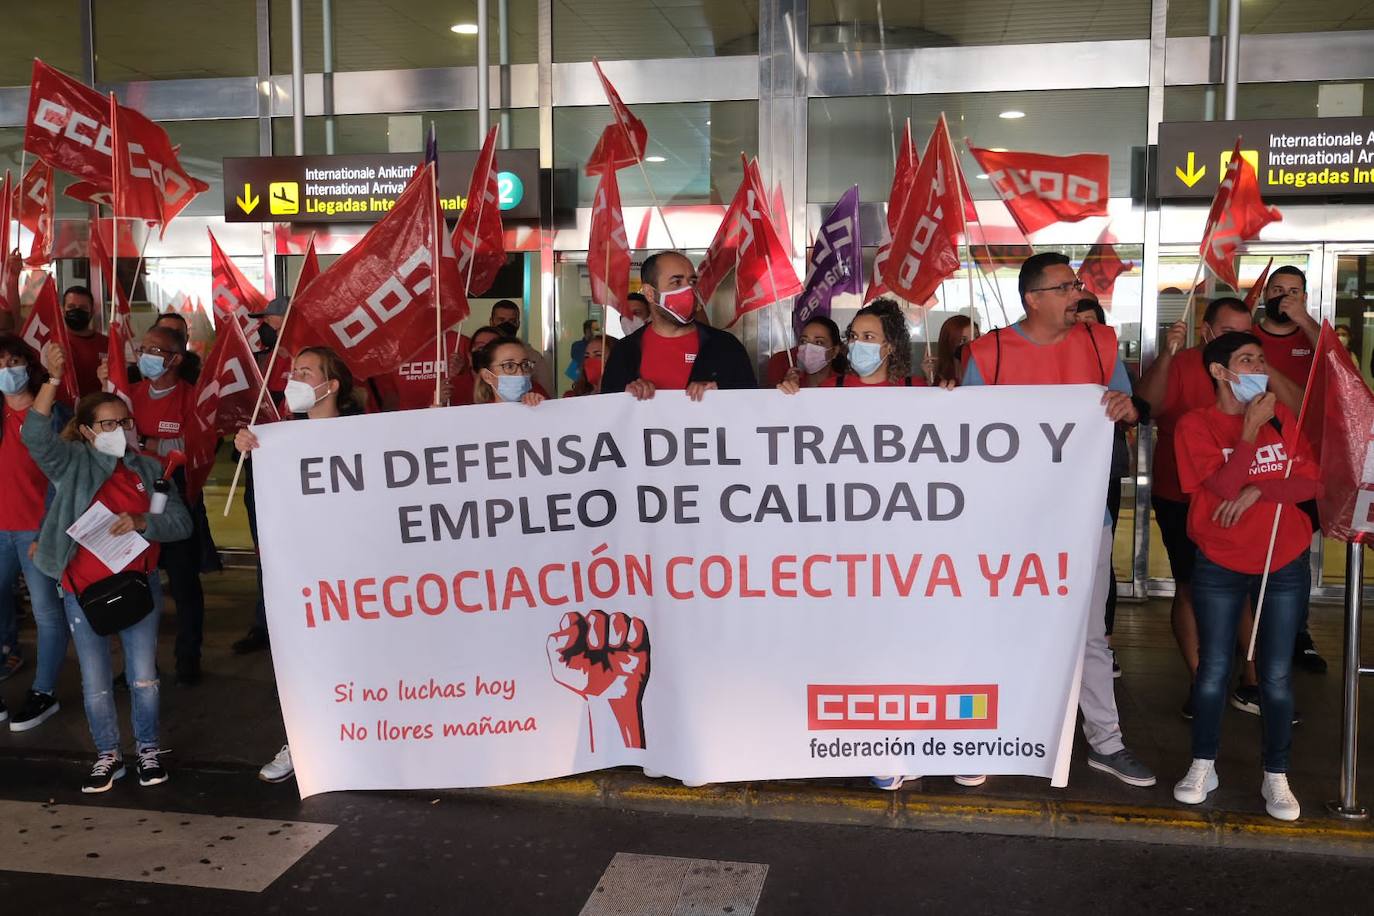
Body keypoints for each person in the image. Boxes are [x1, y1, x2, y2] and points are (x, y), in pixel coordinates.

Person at [960, 252, 1156, 789]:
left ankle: (1107, 743)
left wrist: (1127, 406)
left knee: (1090, 635)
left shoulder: (1100, 343)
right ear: (1034, 299)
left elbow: (1133, 405)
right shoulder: (987, 352)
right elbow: (966, 439)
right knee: (1000, 627)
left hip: (1082, 515)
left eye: (1077, 286)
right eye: (1067, 287)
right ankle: (984, 737)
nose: (1078, 294)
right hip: (1009, 523)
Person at [23, 344, 192, 792]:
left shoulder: (151, 468)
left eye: (124, 422)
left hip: (139, 586)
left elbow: (181, 523)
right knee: (95, 682)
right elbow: (35, 435)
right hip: (83, 590)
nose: (119, 430)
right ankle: (107, 755)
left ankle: (149, 751)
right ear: (85, 431)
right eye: (108, 423)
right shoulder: (71, 464)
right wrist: (53, 381)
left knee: (144, 677)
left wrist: (144, 521)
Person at [1171, 332, 1321, 821]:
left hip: (1283, 558)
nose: (1258, 366)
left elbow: (1311, 480)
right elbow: (1220, 484)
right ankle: (1202, 764)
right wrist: (1250, 434)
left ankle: (1276, 775)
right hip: (1220, 560)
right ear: (1219, 371)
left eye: (1260, 358)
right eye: (1246, 359)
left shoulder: (1283, 416)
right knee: (1214, 669)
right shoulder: (1196, 425)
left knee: (1276, 676)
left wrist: (1260, 491)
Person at [1136, 297, 1306, 714]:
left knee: (1248, 590)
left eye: (1248, 332)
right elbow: (1148, 408)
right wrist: (1166, 355)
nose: (1242, 341)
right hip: (1184, 496)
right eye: (1230, 333)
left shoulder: (1256, 369)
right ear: (1207, 331)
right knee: (1192, 587)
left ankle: (1251, 679)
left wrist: (1262, 366)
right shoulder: (1182, 363)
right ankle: (1202, 681)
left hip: (1252, 497)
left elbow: (1300, 413)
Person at [234, 346, 365, 780]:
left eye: (306, 372)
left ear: (332, 386)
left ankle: (366, 744)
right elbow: (266, 511)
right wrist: (252, 452)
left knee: (355, 662)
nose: (294, 378)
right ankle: (304, 744)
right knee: (302, 664)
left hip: (356, 574)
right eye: (293, 370)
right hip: (303, 577)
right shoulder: (277, 440)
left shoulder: (366, 433)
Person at [103, 325, 209, 686]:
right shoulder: (128, 395)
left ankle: (188, 655)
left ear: (176, 359)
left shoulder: (192, 397)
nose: (144, 355)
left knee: (182, 582)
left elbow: (191, 445)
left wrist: (148, 439)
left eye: (155, 350)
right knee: (133, 580)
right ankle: (137, 662)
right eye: (143, 347)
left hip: (175, 494)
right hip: (133, 493)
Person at [0, 336, 69, 731]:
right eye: (1, 363)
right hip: (1, 531)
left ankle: (44, 692)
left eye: (15, 361)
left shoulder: (54, 415)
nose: (8, 370)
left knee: (46, 612)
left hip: (37, 532)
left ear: (29, 365)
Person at [601, 251, 757, 399]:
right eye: (676, 282)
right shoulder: (624, 353)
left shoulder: (726, 347)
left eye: (692, 282)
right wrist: (624, 395)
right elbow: (609, 414)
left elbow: (751, 406)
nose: (688, 290)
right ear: (649, 293)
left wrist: (721, 391)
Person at [781, 300, 922, 391]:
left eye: (868, 337)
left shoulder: (916, 388)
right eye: (853, 336)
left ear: (891, 346)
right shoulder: (829, 389)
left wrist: (943, 390)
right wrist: (786, 397)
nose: (857, 343)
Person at [489, 299, 554, 395]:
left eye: (512, 321)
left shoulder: (533, 357)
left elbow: (546, 393)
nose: (506, 324)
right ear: (491, 322)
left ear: (518, 324)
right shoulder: (483, 352)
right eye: (501, 320)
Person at [60, 286, 108, 397]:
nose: (77, 311)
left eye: (83, 308)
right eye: (71, 307)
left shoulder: (107, 343)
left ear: (92, 311)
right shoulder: (55, 344)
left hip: (99, 408)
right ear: (63, 310)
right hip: (65, 409)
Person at [473, 337, 548, 406]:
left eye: (525, 365)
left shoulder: (538, 401)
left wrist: (542, 408)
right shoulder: (480, 416)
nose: (520, 373)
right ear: (487, 376)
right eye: (509, 366)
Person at [775, 317, 845, 391]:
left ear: (835, 351)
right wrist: (785, 390)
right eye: (804, 341)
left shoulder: (846, 384)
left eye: (818, 342)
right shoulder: (793, 383)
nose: (808, 348)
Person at [931, 314, 977, 386]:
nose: (971, 344)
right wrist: (929, 380)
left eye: (976, 337)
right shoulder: (941, 380)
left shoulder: (987, 372)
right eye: (963, 340)